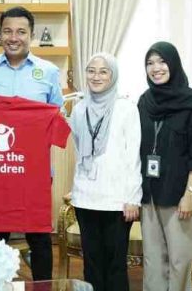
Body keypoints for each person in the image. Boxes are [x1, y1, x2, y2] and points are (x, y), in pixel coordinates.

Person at [0, 6, 63, 281]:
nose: (13, 37)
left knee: (39, 236)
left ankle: (43, 288)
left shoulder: (48, 71)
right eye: (7, 31)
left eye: (21, 31)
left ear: (31, 35)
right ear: (0, 34)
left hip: (35, 172)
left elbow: (57, 117)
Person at [137, 41, 192, 291]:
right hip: (149, 192)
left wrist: (189, 194)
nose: (156, 68)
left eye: (162, 61)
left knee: (180, 259)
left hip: (179, 193)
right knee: (152, 258)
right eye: (150, 63)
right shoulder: (145, 102)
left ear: (173, 64)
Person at [69, 53, 141, 291]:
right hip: (85, 197)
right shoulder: (79, 109)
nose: (96, 76)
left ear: (113, 75)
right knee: (91, 263)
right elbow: (79, 150)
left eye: (103, 71)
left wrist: (132, 197)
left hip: (117, 200)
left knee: (115, 264)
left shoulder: (126, 108)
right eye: (91, 71)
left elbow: (133, 156)